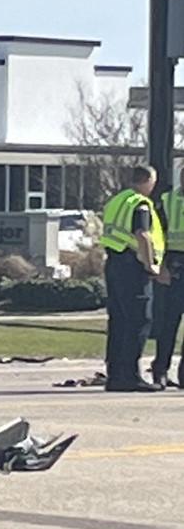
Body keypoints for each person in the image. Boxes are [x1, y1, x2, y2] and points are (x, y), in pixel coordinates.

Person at [99, 164, 167, 392]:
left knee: (118, 320)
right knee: (139, 321)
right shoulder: (140, 203)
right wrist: (151, 266)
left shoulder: (117, 201)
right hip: (133, 268)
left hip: (114, 264)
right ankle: (129, 375)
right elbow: (142, 234)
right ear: (147, 181)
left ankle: (115, 374)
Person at [151, 176, 184, 388]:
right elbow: (158, 234)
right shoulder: (167, 199)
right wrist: (160, 264)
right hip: (175, 263)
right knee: (169, 322)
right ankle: (160, 370)